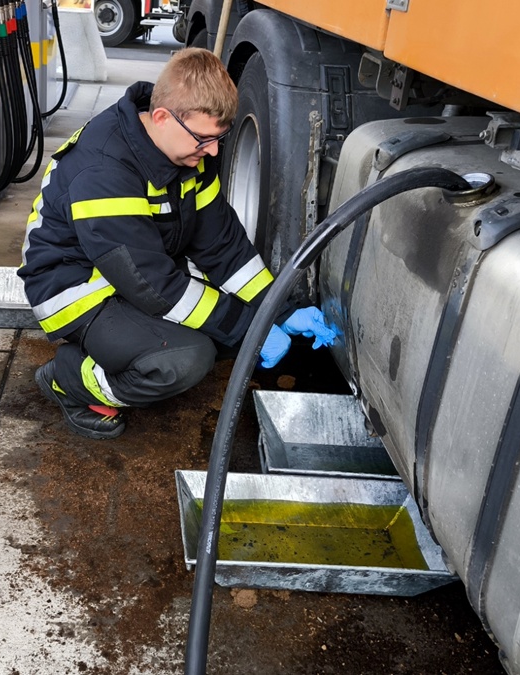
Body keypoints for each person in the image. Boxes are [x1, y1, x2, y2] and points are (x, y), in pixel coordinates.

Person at [18, 48, 335, 440]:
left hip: (134, 270)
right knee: (185, 359)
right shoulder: (104, 170)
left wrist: (278, 309)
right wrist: (248, 327)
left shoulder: (186, 153)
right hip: (76, 285)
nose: (213, 152)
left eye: (219, 139)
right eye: (204, 140)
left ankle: (128, 347)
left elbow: (224, 247)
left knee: (222, 330)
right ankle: (69, 379)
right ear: (164, 117)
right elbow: (149, 283)